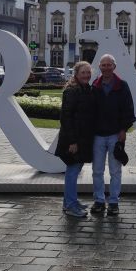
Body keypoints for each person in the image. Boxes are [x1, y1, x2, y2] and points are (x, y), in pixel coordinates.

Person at [90, 54, 136, 216]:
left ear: (114, 67)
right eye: (103, 65)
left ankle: (114, 202)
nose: (106, 67)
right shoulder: (94, 86)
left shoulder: (122, 86)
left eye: (109, 65)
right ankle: (99, 200)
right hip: (97, 135)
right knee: (97, 170)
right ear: (100, 67)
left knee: (115, 171)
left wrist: (123, 129)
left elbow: (128, 110)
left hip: (116, 134)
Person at [56, 61, 96, 218]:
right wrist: (72, 142)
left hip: (82, 138)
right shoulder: (72, 91)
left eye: (88, 72)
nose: (86, 75)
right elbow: (66, 117)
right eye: (83, 73)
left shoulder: (85, 89)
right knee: (73, 171)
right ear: (76, 75)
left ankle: (69, 202)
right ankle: (71, 205)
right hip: (72, 139)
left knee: (75, 170)